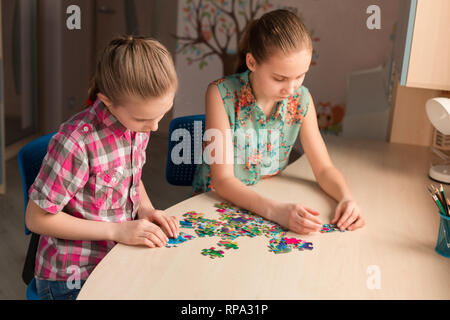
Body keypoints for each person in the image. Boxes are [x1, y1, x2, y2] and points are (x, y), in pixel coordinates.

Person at [26, 36, 180, 300]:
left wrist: (146, 209)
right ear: (108, 102)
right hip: (71, 276)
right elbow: (36, 218)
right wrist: (116, 230)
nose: (154, 127)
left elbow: (130, 176)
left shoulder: (135, 124)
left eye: (162, 114)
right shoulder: (76, 144)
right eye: (144, 118)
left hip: (117, 254)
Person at [192, 9, 365, 236]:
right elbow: (223, 181)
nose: (291, 89)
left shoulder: (301, 99)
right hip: (216, 205)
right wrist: (277, 212)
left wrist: (346, 198)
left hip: (269, 200)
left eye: (300, 76)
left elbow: (323, 168)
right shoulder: (220, 94)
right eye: (279, 78)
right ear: (252, 62)